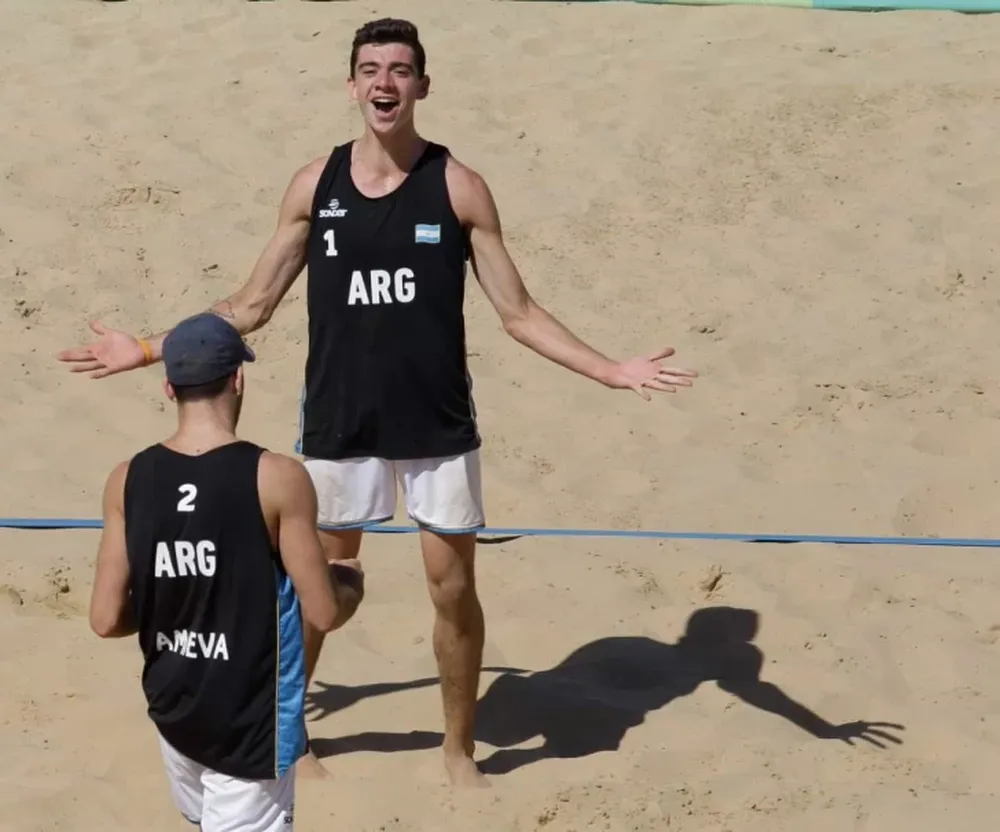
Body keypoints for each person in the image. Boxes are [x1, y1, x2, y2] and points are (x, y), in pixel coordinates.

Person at [59, 17, 698, 787]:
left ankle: (458, 751)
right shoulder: (313, 183)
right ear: (352, 84)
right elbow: (252, 304)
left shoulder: (458, 185)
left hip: (436, 425)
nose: (384, 82)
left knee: (452, 589)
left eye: (399, 70)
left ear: (422, 86)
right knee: (316, 583)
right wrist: (154, 347)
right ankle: (291, 735)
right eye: (370, 69)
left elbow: (519, 313)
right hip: (340, 424)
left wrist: (610, 370)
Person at [87, 311, 363, 829]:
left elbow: (105, 618)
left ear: (169, 387)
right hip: (248, 719)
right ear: (239, 378)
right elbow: (322, 611)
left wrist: (170, 610)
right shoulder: (277, 476)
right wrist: (350, 582)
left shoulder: (126, 478)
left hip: (174, 708)